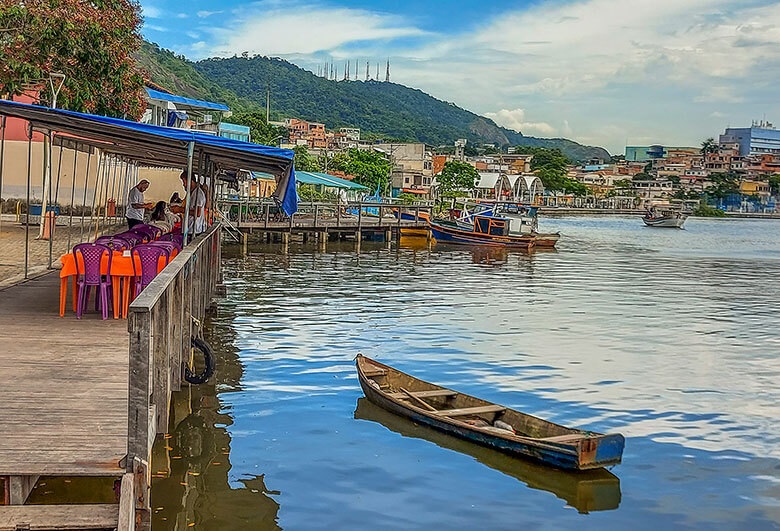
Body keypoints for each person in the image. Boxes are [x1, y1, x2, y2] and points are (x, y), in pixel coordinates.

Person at [179, 172, 206, 236]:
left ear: (190, 181)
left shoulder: (198, 194)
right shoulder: (192, 193)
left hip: (194, 231)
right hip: (189, 229)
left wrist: (180, 210)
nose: (183, 185)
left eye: (184, 182)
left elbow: (197, 213)